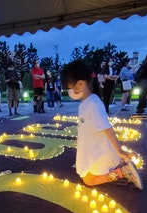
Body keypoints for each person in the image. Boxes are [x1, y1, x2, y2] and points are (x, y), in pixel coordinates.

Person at [59, 60, 142, 190]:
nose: (69, 91)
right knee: (84, 174)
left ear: (80, 84)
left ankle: (122, 172)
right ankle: (120, 165)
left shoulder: (93, 103)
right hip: (92, 149)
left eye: (70, 87)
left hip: (100, 152)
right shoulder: (85, 103)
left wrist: (119, 150)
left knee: (89, 180)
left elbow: (107, 128)